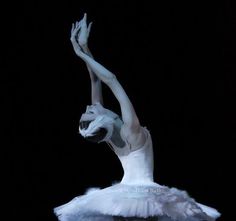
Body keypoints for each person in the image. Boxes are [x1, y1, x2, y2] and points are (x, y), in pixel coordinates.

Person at [54, 13, 221, 221]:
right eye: (89, 111)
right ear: (98, 120)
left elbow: (96, 81)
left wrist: (85, 46)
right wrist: (79, 53)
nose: (90, 105)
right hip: (142, 193)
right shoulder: (130, 130)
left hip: (127, 193)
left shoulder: (112, 135)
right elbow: (111, 80)